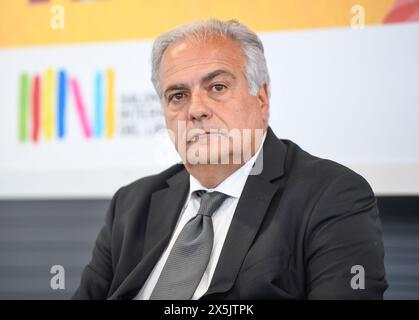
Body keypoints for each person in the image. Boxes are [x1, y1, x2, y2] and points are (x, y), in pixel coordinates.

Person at [73, 19, 387, 300]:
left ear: (261, 98)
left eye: (218, 87)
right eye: (177, 96)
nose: (196, 109)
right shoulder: (131, 204)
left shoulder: (331, 196)